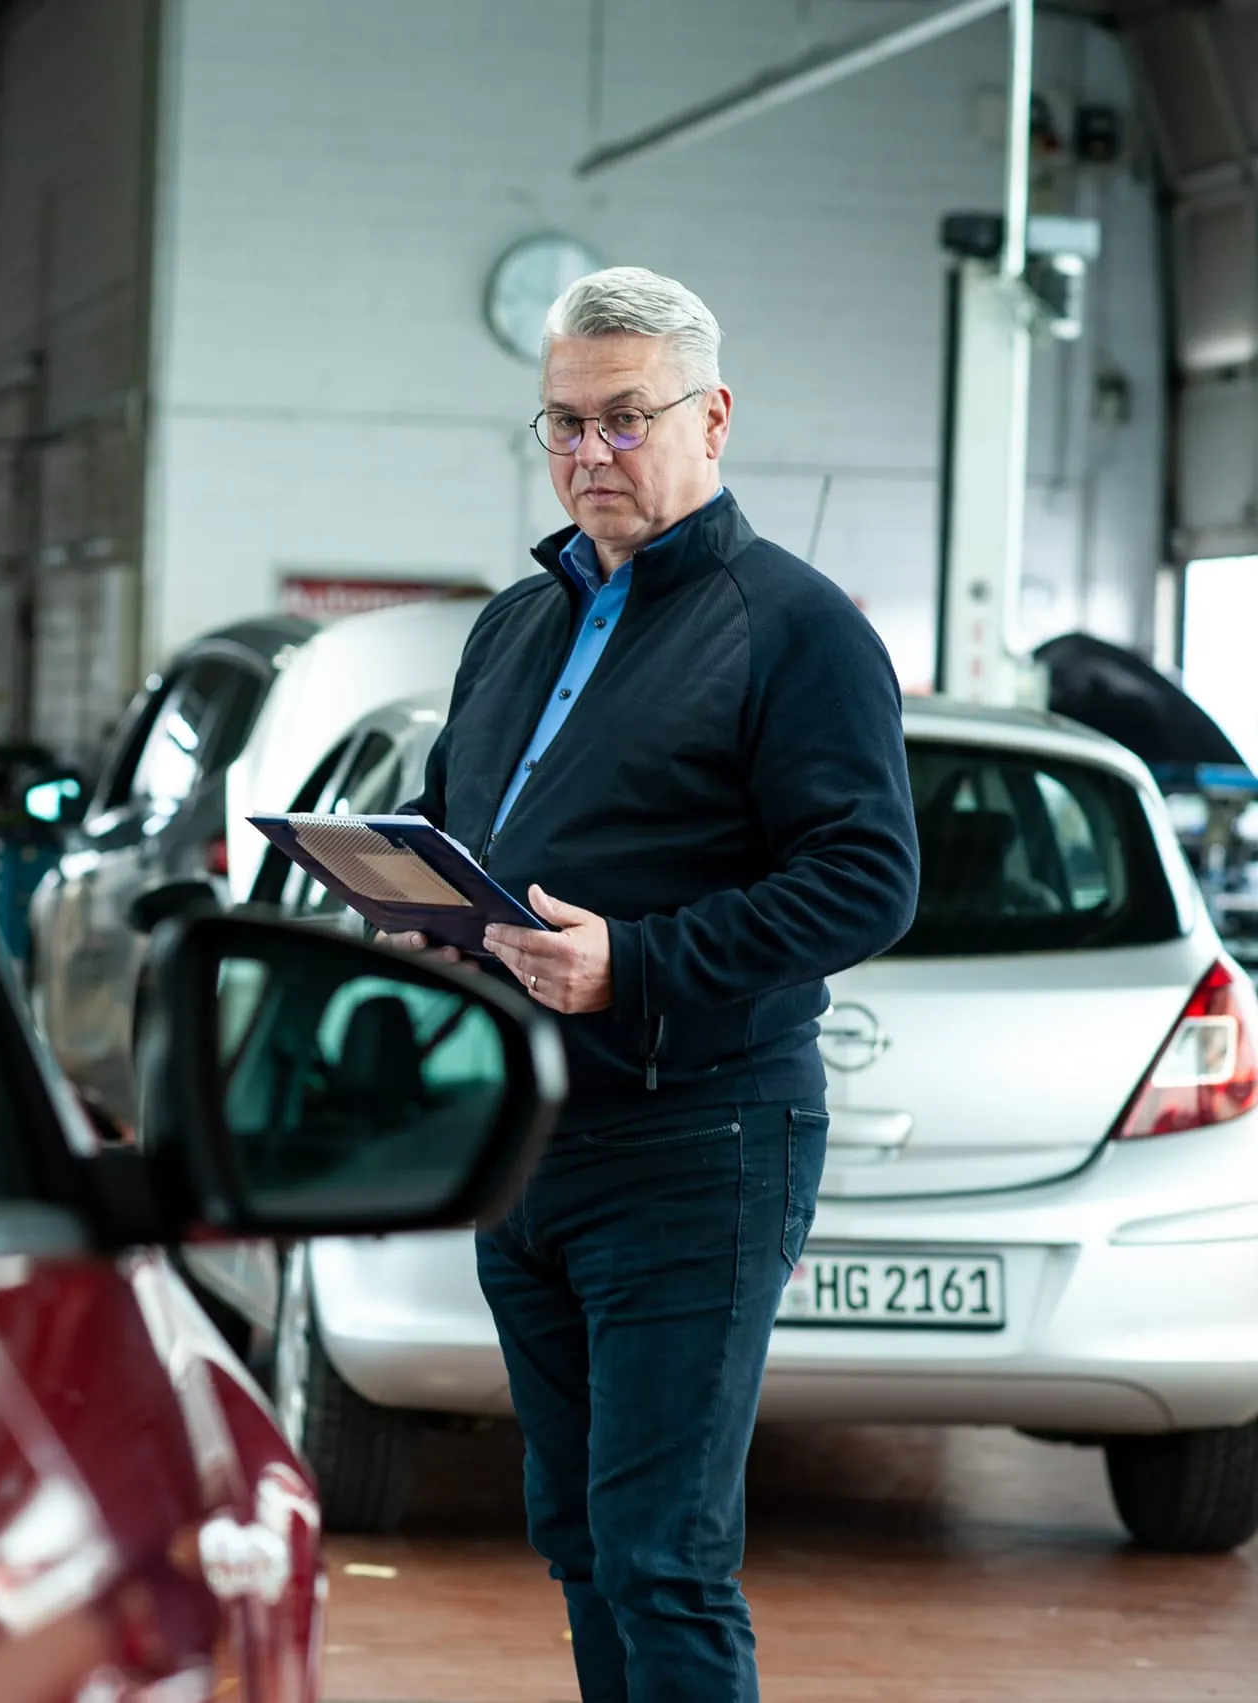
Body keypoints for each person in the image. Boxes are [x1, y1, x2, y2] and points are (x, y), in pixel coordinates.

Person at [384, 267, 918, 1702]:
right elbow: (464, 830)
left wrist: (637, 960)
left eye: (625, 421)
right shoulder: (515, 625)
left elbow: (868, 877)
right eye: (563, 424)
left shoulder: (794, 626)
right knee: (577, 1534)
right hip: (532, 1138)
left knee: (663, 1549)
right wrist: (421, 920)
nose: (589, 456)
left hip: (698, 1138)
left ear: (713, 417)